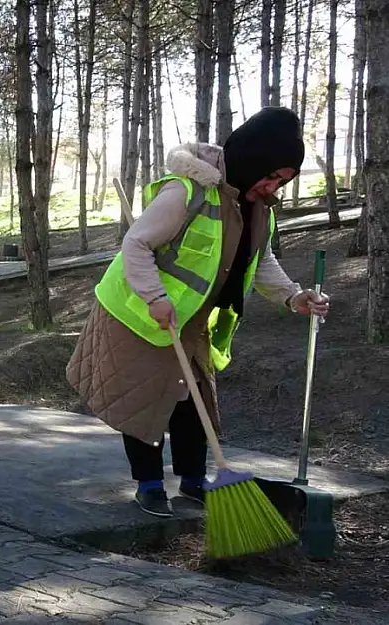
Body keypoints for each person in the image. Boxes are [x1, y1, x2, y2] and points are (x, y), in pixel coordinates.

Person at [66, 107, 331, 518]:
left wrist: (292, 297)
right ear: (253, 160)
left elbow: (259, 262)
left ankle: (193, 481)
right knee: (147, 401)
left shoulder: (260, 210)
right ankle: (149, 485)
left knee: (194, 402)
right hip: (139, 314)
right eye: (272, 176)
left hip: (192, 321)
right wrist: (154, 297)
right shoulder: (187, 193)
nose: (273, 187)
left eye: (282, 181)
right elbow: (136, 244)